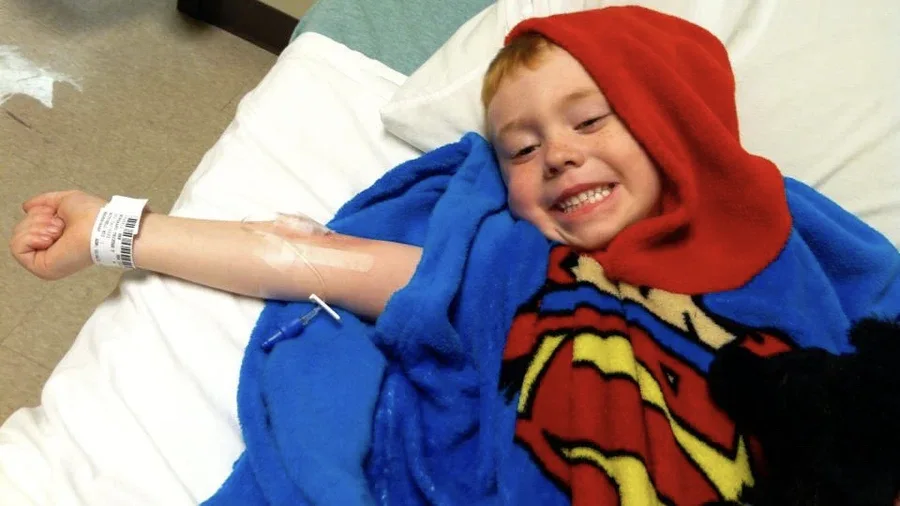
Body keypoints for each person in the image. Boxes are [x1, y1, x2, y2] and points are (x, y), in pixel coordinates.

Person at [9, 6, 899, 505]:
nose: (555, 152)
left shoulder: (787, 262)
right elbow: (297, 260)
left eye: (590, 120)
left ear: (673, 120)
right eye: (518, 148)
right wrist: (112, 231)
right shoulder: (509, 264)